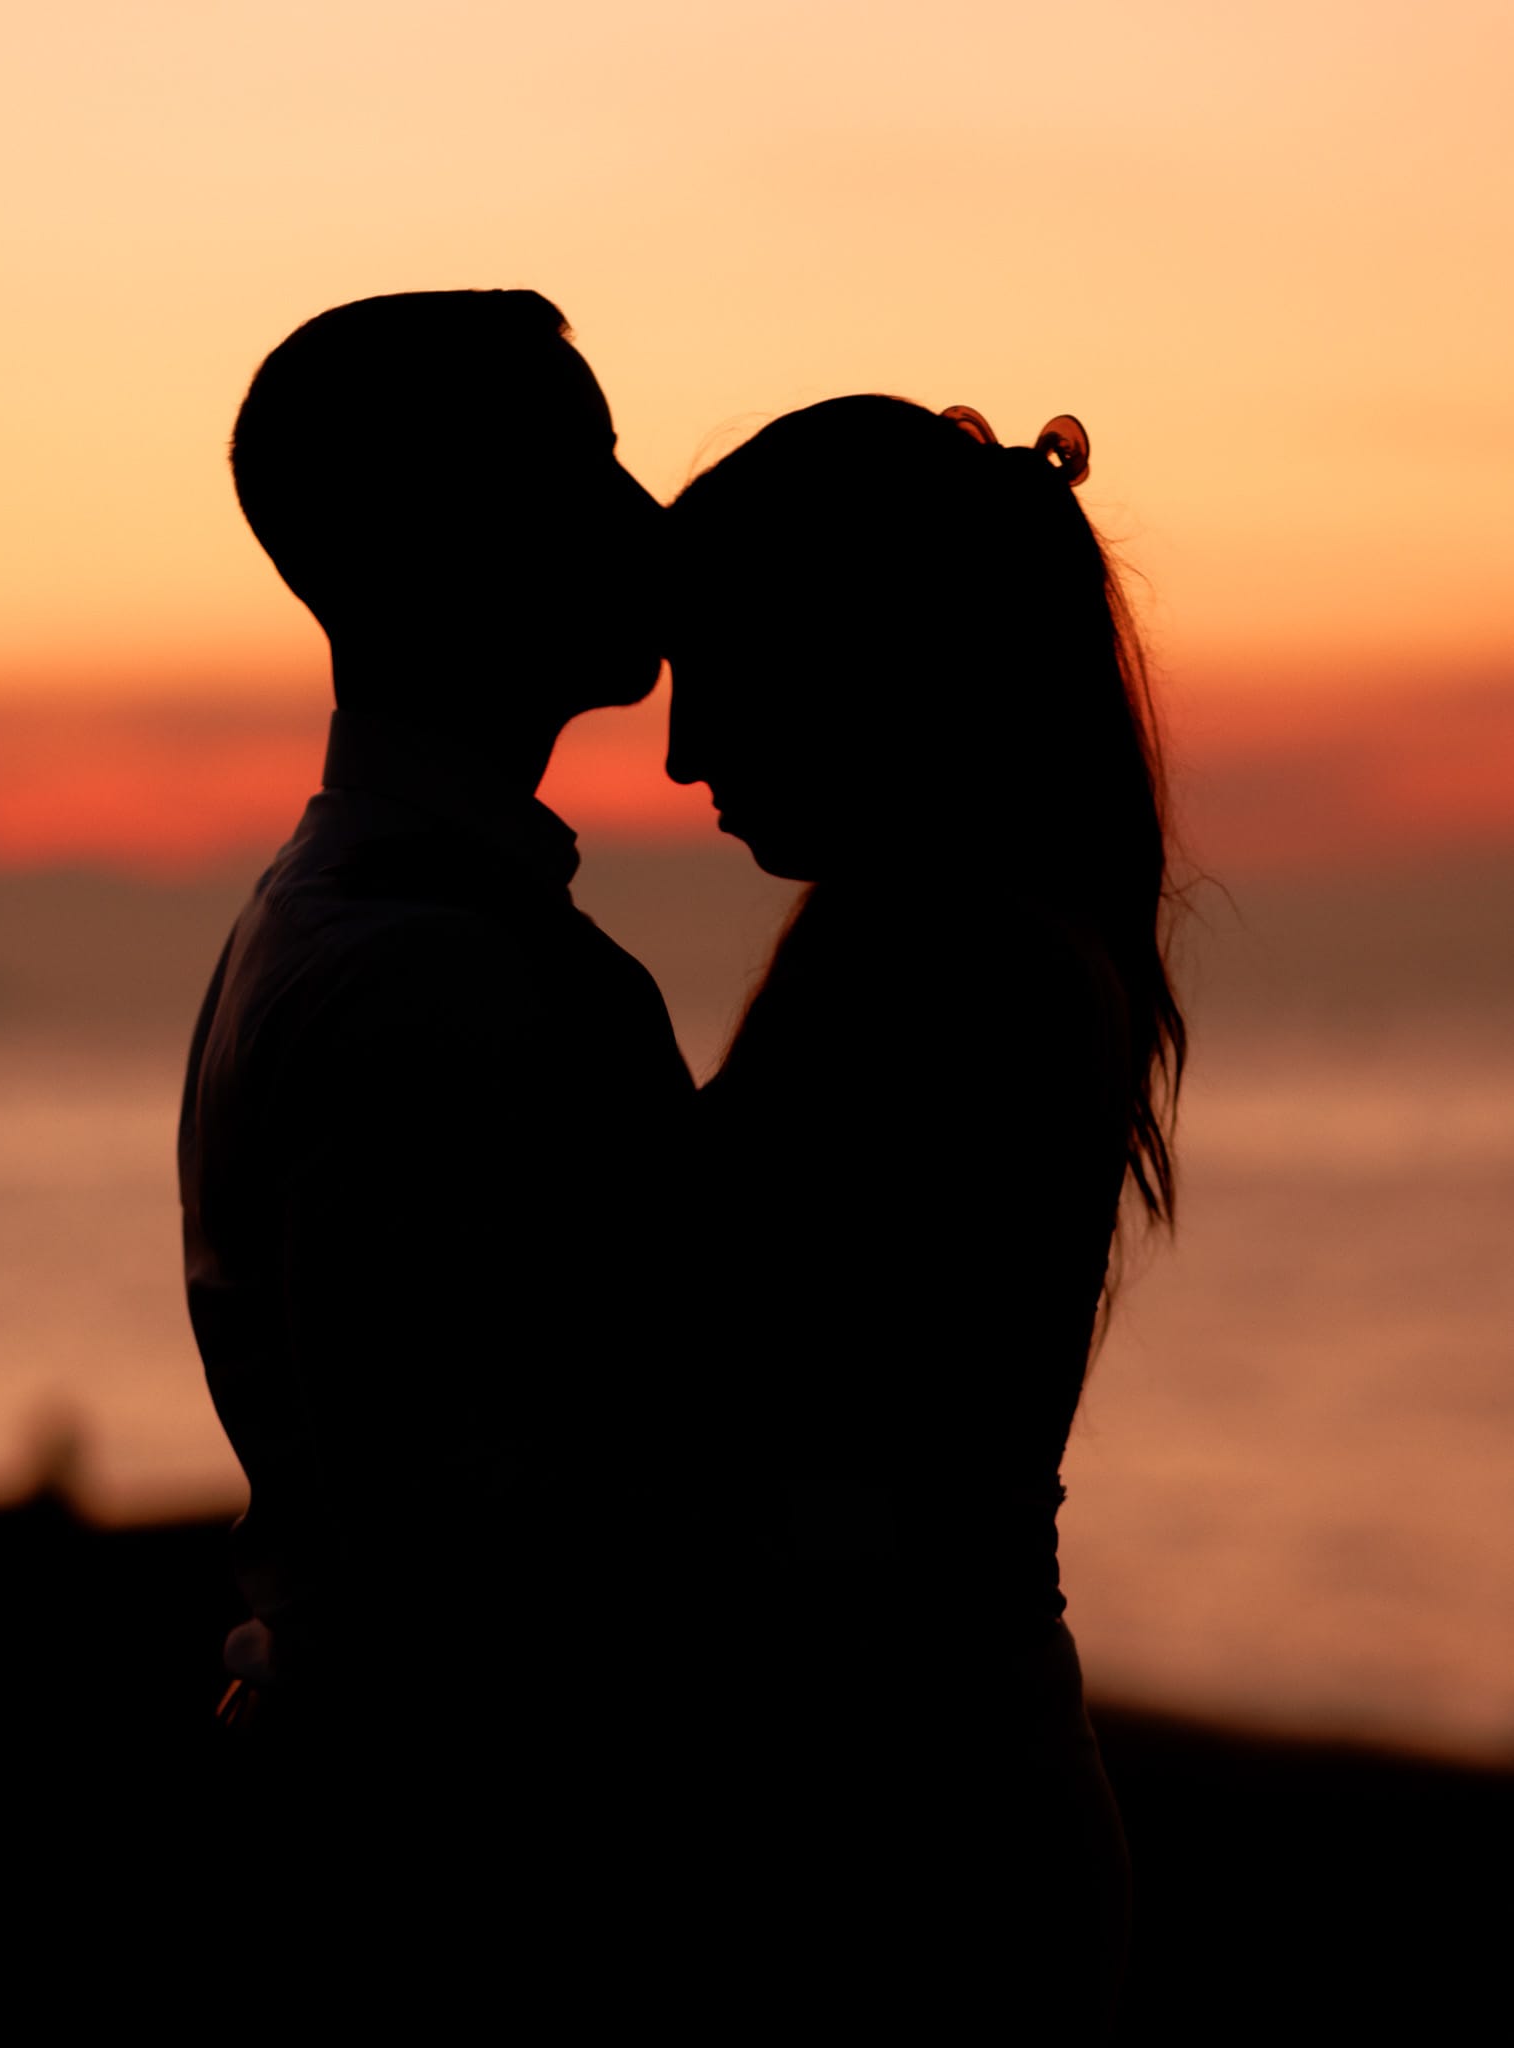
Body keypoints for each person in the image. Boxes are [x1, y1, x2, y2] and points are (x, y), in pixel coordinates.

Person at [664, 394, 1186, 2036]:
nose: (682, 751)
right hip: (932, 1797)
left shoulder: (949, 962)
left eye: (716, 667)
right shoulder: (952, 936)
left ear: (861, 656)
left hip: (901, 1845)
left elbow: (789, 1452)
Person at [178, 291, 699, 1792]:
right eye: (585, 466)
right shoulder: (432, 967)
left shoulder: (347, 911)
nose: (643, 516)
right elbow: (474, 1551)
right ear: (446, 534)